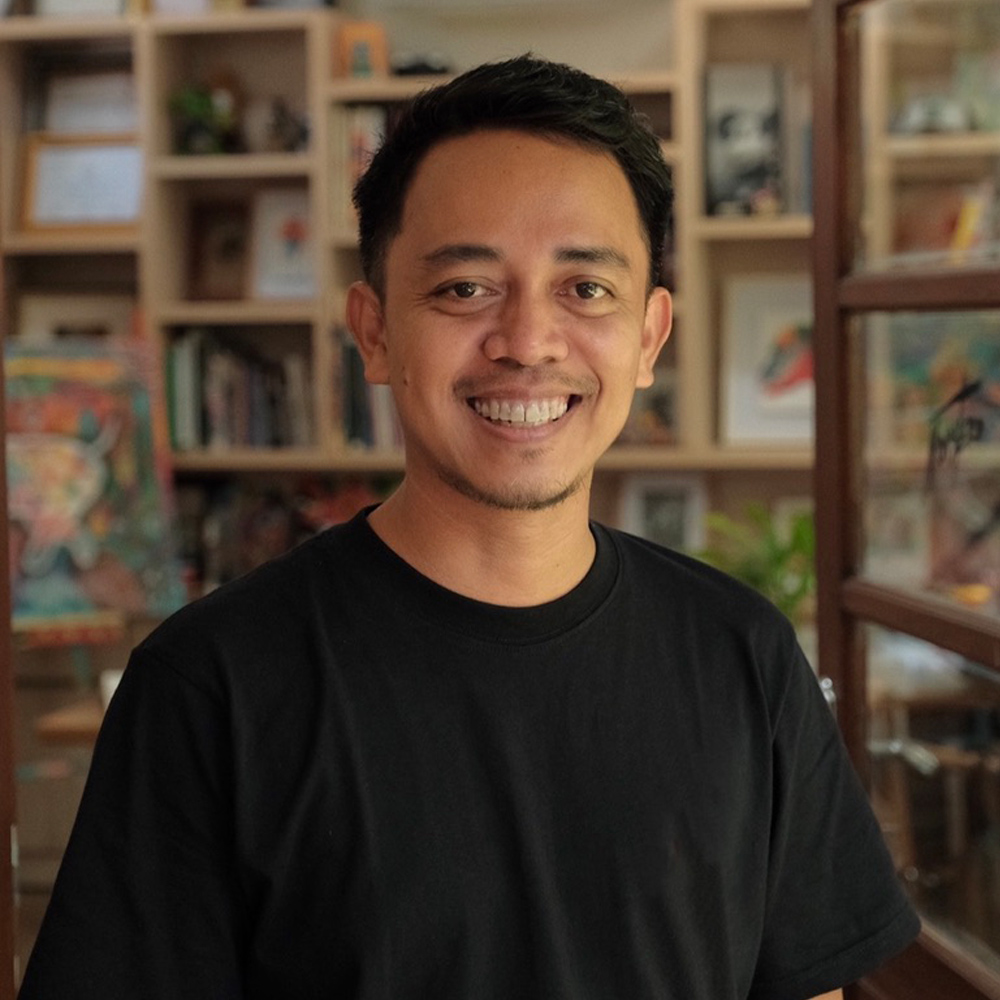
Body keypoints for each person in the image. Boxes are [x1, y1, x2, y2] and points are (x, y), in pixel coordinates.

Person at [19, 55, 920, 1000]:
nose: (528, 342)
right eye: (464, 290)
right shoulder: (211, 686)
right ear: (372, 332)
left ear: (649, 338)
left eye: (586, 289)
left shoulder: (745, 657)